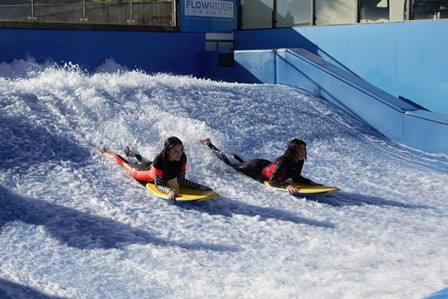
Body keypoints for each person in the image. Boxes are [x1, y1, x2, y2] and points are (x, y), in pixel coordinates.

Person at [103, 136, 209, 201]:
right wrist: (169, 192)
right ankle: (106, 152)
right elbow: (159, 185)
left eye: (181, 150)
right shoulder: (160, 160)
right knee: (125, 163)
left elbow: (181, 180)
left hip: (150, 165)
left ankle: (129, 152)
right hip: (143, 173)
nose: (179, 154)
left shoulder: (182, 158)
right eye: (175, 151)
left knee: (140, 159)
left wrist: (199, 186)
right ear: (168, 152)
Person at [200, 138, 317, 194]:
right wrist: (286, 186)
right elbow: (272, 181)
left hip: (265, 164)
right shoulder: (284, 161)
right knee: (231, 164)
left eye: (304, 149)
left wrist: (312, 183)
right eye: (301, 149)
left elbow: (296, 177)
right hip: (255, 168)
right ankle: (209, 144)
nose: (304, 151)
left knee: (239, 162)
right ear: (293, 151)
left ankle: (233, 155)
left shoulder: (299, 160)